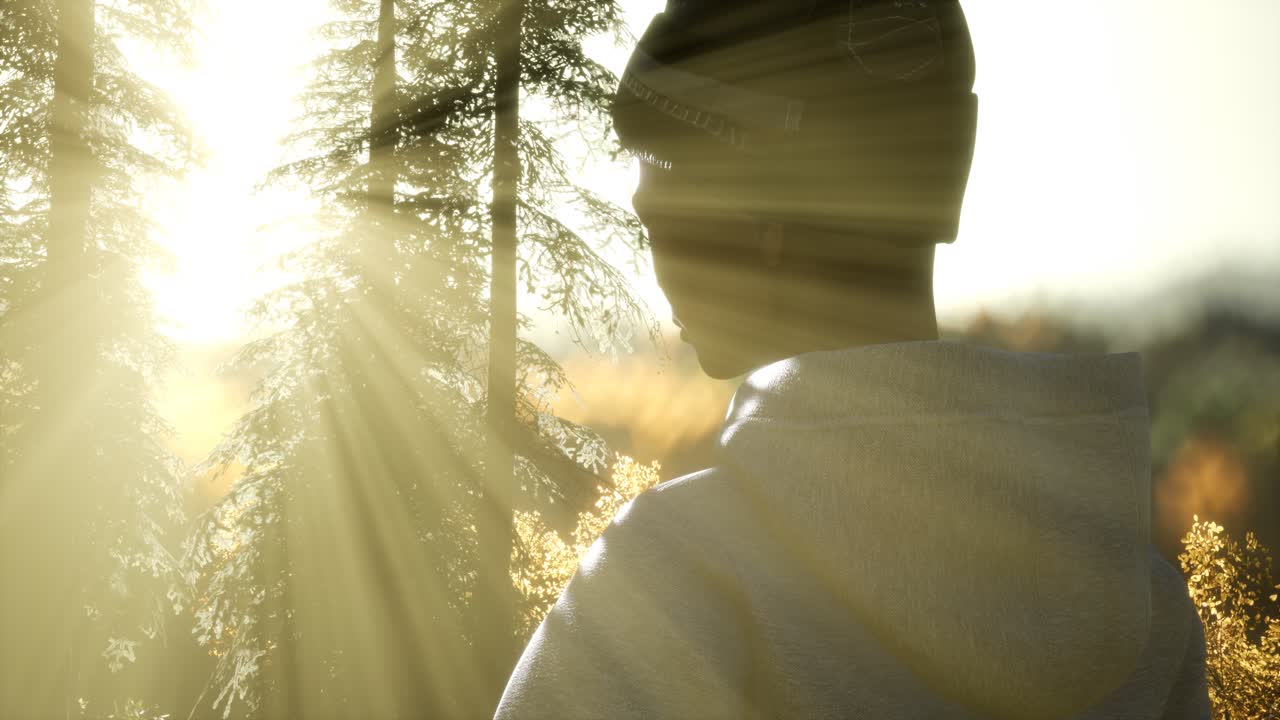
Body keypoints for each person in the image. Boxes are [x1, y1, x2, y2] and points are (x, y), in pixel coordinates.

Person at [495, 1, 1211, 717]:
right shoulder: (1145, 612)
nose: (652, 264)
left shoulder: (671, 578)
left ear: (755, 217)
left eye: (656, 223)